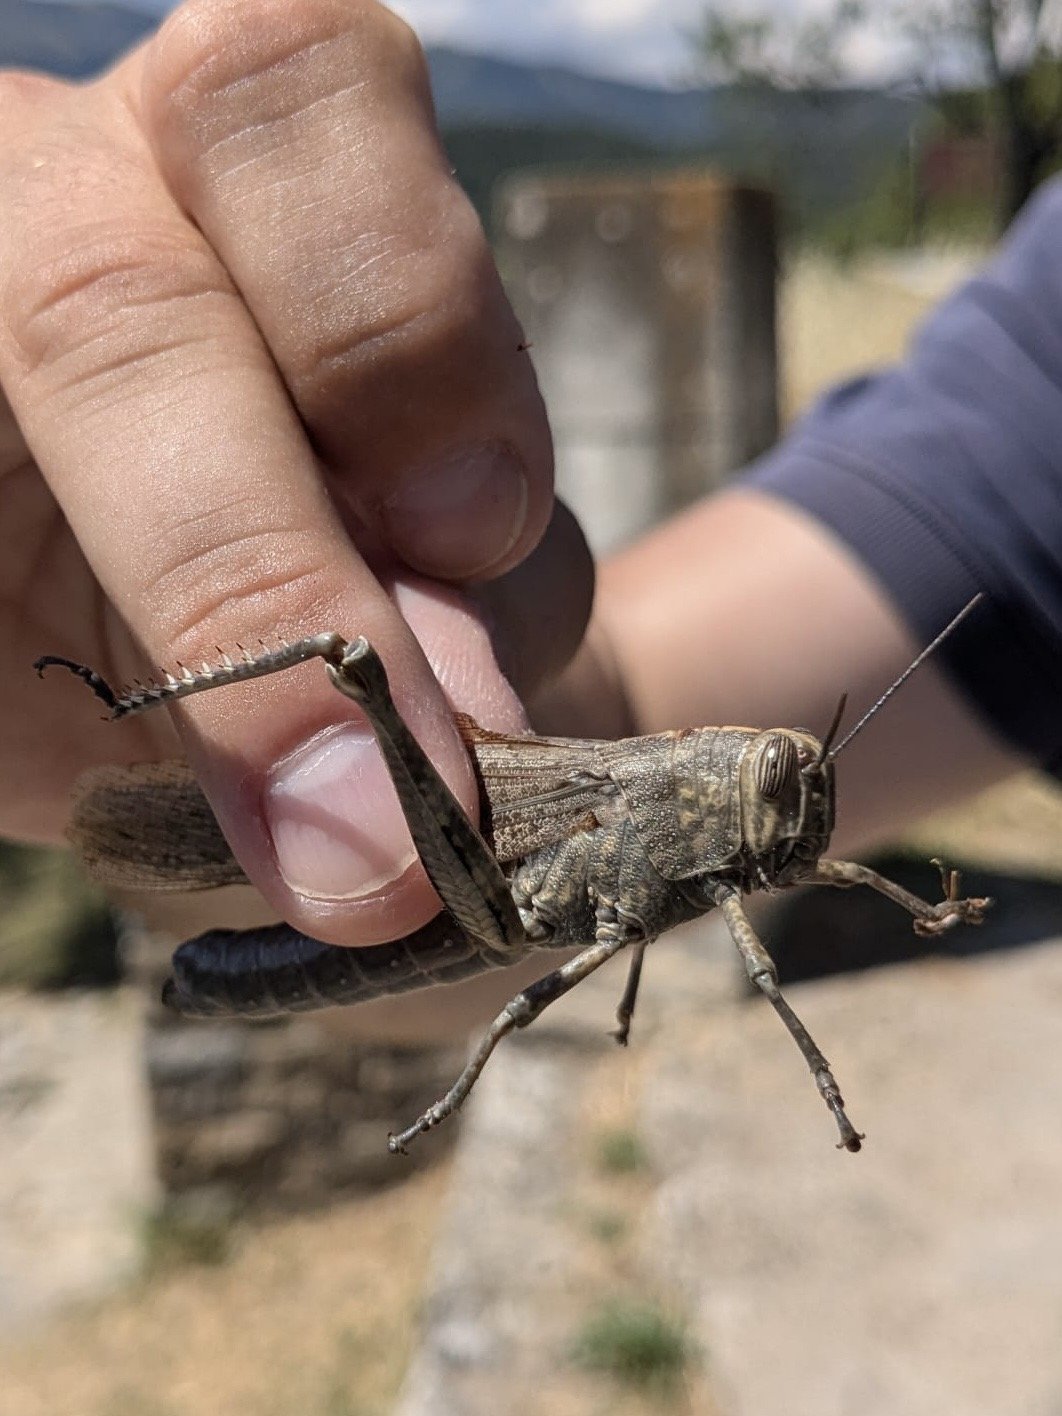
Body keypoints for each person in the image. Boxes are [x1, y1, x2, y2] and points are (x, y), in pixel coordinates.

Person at [0, 0, 1048, 1032]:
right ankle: (140, 701)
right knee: (351, 660)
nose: (803, 811)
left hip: (480, 913)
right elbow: (626, 682)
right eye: (784, 779)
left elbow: (657, 901)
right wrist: (212, 724)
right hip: (433, 879)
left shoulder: (722, 849)